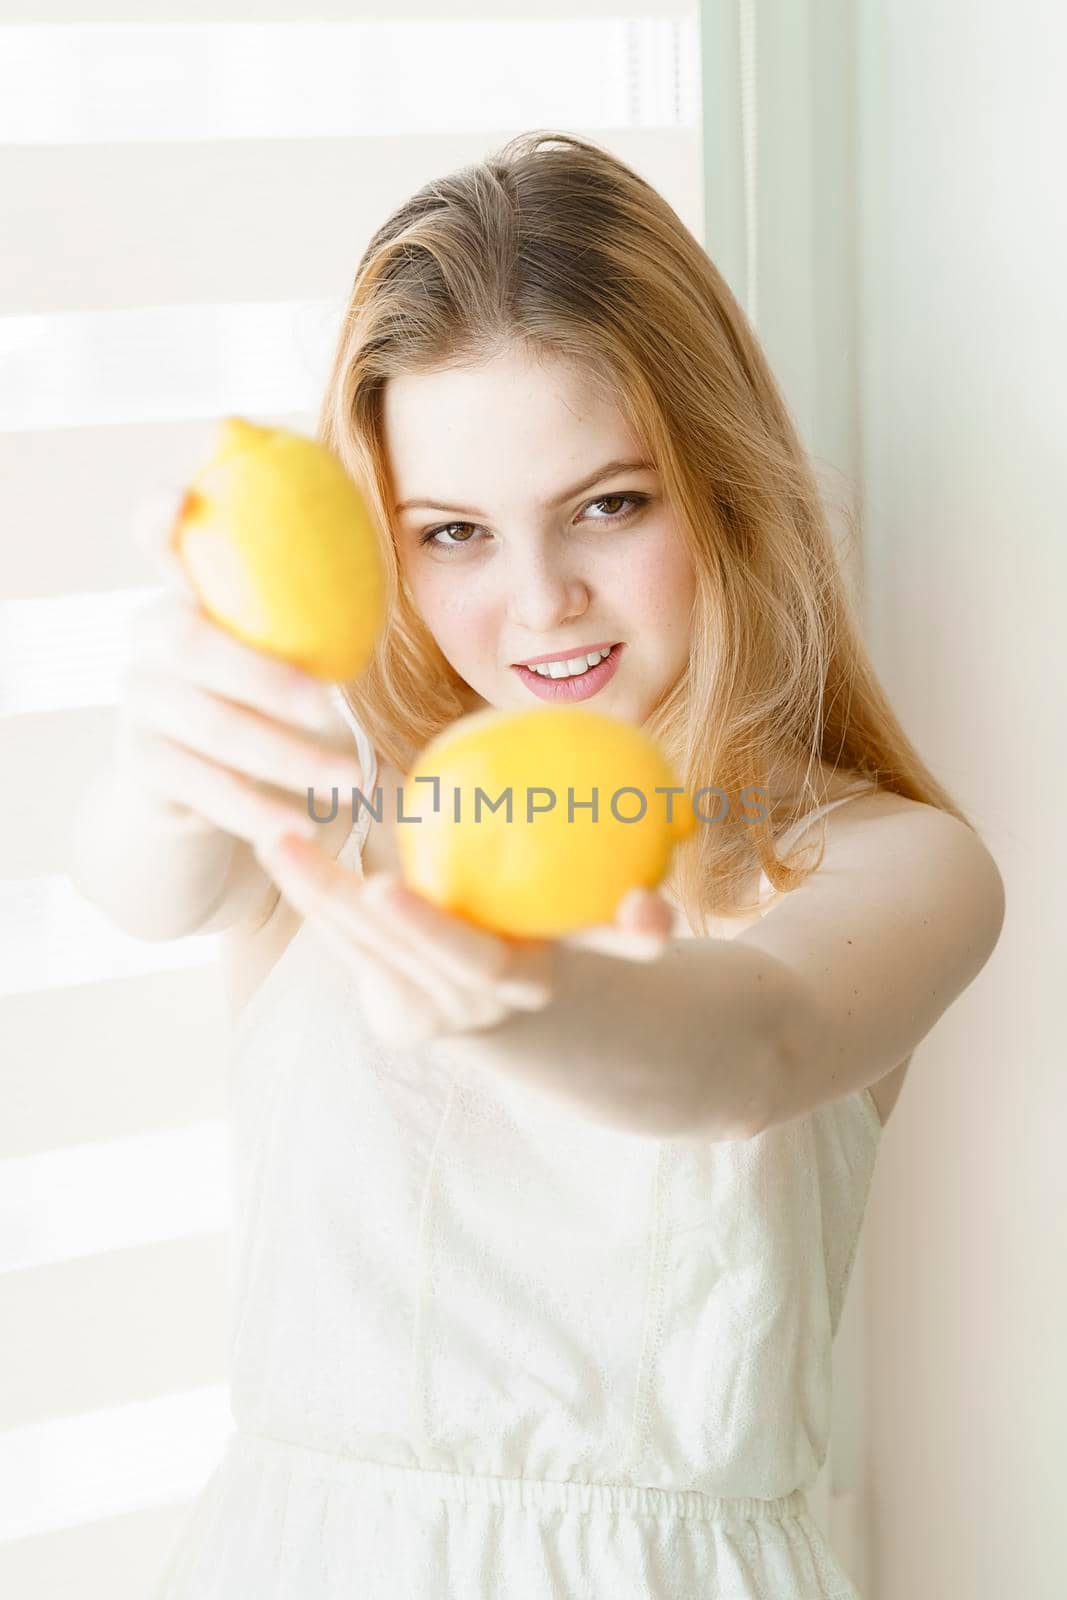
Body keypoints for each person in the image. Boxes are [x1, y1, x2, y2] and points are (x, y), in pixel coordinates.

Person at [73, 131, 1005, 1598]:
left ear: (723, 487)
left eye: (610, 505)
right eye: (452, 532)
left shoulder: (893, 863)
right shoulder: (338, 810)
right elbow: (143, 885)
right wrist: (167, 746)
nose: (538, 603)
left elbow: (748, 1050)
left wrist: (511, 999)